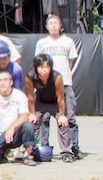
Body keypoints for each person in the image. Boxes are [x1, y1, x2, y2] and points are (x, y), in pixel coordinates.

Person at [33, 13, 82, 158]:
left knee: (69, 117)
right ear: (47, 27)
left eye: (56, 23)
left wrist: (66, 78)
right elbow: (38, 64)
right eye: (51, 23)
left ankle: (73, 147)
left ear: (60, 26)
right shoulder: (42, 43)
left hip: (65, 84)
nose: (53, 25)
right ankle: (44, 149)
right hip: (46, 85)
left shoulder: (68, 42)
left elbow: (70, 63)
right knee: (44, 118)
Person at [25, 53, 80, 162]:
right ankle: (33, 149)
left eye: (47, 67)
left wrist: (62, 115)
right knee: (34, 122)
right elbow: (31, 97)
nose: (44, 70)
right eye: (41, 67)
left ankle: (66, 152)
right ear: (36, 67)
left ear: (51, 67)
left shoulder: (57, 77)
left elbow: (60, 98)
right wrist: (32, 113)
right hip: (41, 101)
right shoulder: (30, 76)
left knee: (63, 123)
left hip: (55, 102)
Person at [0, 69, 35, 166]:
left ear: (11, 82)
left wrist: (12, 128)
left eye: (5, 80)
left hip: (15, 134)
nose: (2, 83)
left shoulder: (20, 95)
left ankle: (27, 155)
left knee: (28, 127)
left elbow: (24, 116)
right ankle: (2, 153)